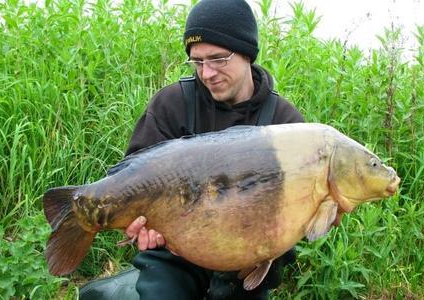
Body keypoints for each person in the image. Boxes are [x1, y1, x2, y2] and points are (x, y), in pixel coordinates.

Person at [79, 0, 304, 299]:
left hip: (249, 261)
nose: (207, 73)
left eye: (218, 59)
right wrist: (137, 224)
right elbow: (133, 180)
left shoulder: (284, 124)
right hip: (174, 254)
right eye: (197, 62)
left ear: (247, 54)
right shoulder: (171, 104)